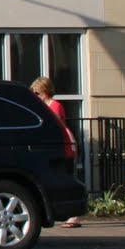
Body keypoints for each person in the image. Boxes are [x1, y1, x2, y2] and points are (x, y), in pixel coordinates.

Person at [32, 76, 83, 226]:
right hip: (51, 146)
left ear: (45, 91)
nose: (36, 96)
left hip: (63, 145)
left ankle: (74, 216)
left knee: (67, 175)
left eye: (37, 93)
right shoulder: (43, 106)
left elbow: (58, 127)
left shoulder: (55, 106)